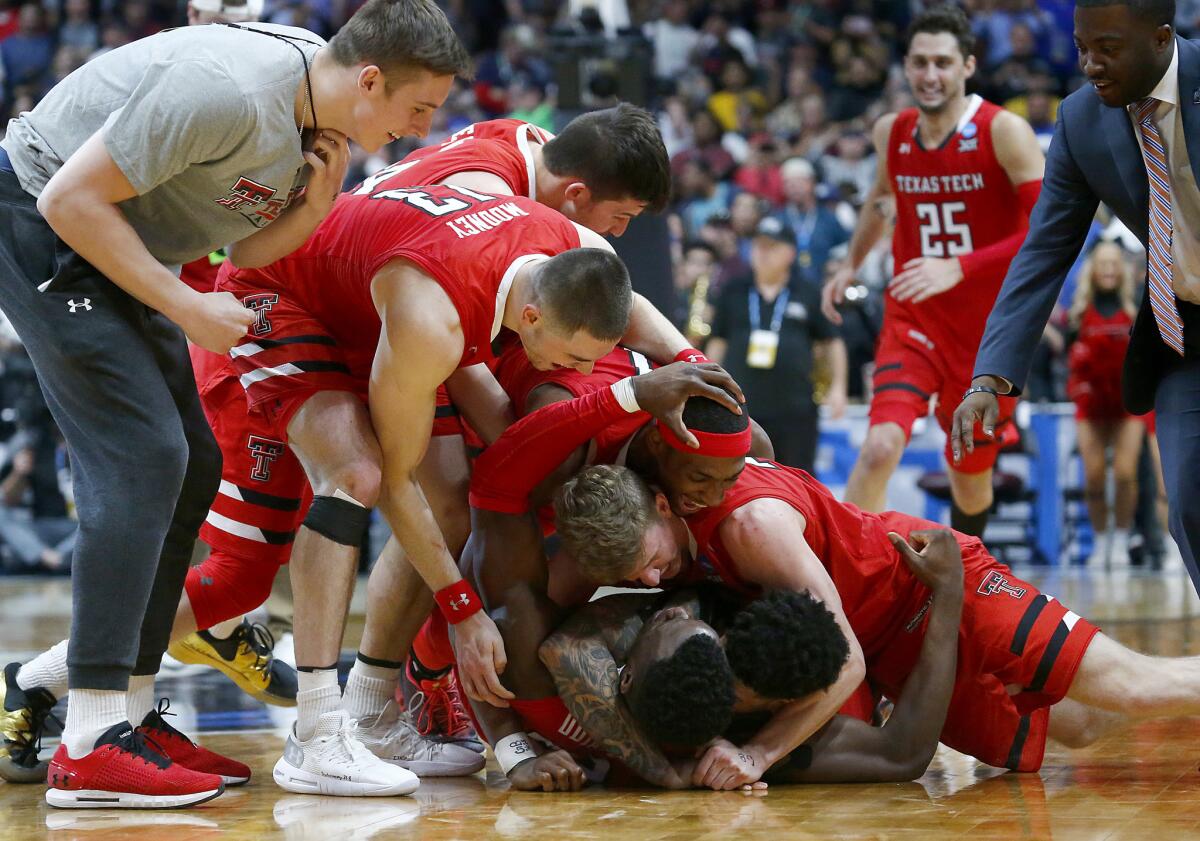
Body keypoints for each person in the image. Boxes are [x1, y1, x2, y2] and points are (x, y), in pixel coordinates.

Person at [0, 0, 469, 810]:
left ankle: (133, 714)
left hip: (126, 239)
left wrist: (317, 206)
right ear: (368, 80)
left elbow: (245, 250)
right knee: (144, 460)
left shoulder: (317, 128)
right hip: (41, 213)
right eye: (418, 108)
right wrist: (187, 309)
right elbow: (67, 203)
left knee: (192, 467)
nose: (422, 130)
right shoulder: (232, 92)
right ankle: (88, 742)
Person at [554, 422, 1200, 786]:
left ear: (665, 504)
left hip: (931, 583)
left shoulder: (750, 527)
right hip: (890, 639)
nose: (648, 575)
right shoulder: (664, 497)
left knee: (1137, 686)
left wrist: (759, 754)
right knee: (1082, 725)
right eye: (632, 574)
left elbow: (844, 664)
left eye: (649, 556)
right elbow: (763, 442)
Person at [952, 0, 1200, 594]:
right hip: (1183, 335)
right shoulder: (1082, 119)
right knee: (1189, 500)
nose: (1090, 64)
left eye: (1108, 49)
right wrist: (989, 377)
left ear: (1162, 38)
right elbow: (1044, 252)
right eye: (1083, 47)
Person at [821, 5, 1044, 536]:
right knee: (879, 447)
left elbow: (1048, 237)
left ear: (968, 65)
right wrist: (849, 264)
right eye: (919, 62)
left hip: (989, 336)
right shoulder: (891, 132)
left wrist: (960, 267)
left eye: (942, 62)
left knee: (969, 477)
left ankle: (968, 572)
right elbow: (881, 201)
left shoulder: (1004, 131)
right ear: (906, 66)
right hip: (913, 320)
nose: (929, 75)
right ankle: (840, 580)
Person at [538, 529, 964, 788]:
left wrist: (671, 776)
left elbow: (563, 650)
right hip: (879, 590)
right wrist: (948, 593)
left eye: (687, 618)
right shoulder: (747, 751)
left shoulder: (665, 652)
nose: (674, 610)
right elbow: (903, 756)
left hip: (853, 607)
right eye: (678, 618)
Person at [706, 215, 848, 472]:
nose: (763, 253)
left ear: (790, 253)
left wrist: (838, 387)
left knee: (797, 479)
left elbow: (832, 342)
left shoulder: (807, 291)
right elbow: (718, 341)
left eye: (772, 247)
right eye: (759, 246)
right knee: (740, 479)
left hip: (795, 409)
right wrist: (708, 386)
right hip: (741, 408)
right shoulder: (733, 290)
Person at [1065, 241, 1148, 567]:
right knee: (1095, 476)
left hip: (1127, 404)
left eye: (1115, 263)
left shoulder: (1135, 306)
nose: (1109, 269)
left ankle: (1123, 537)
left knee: (1126, 474)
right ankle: (1101, 541)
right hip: (1090, 407)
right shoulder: (1079, 311)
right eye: (1103, 263)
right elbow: (1070, 362)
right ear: (1093, 269)